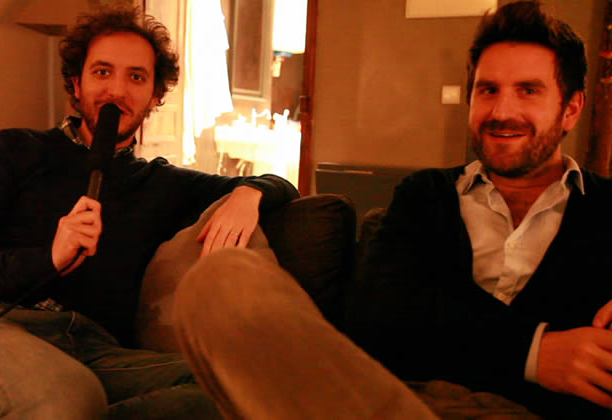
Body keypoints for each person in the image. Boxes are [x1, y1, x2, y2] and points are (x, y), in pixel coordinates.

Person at [171, 1, 612, 419]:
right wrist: (533, 351)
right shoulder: (424, 195)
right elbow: (377, 322)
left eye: (528, 91)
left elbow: (411, 321)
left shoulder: (608, 210)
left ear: (571, 109)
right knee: (222, 280)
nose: (501, 111)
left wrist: (439, 322)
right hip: (393, 403)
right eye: (487, 90)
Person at [0, 6, 298, 419]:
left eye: (136, 77)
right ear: (77, 83)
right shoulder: (16, 150)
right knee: (67, 395)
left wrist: (249, 193)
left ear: (156, 96)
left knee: (234, 388)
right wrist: (48, 258)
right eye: (102, 72)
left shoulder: (161, 183)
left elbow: (280, 184)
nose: (117, 90)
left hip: (93, 348)